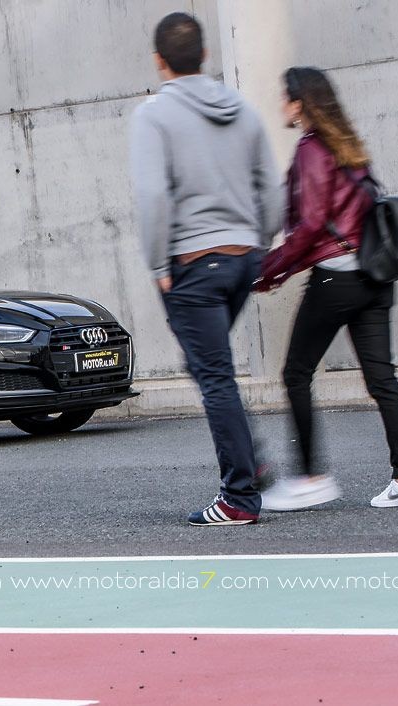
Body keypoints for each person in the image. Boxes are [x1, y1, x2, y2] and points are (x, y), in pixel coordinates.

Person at [130, 12, 281, 526]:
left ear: (160, 60)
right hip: (243, 259)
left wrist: (158, 262)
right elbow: (271, 188)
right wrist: (261, 243)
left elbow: (153, 196)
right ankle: (251, 460)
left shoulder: (154, 115)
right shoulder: (243, 108)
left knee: (214, 376)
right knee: (206, 365)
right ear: (205, 55)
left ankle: (239, 497)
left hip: (193, 265)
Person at [254, 67, 398, 510]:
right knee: (382, 379)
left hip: (337, 278)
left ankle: (311, 477)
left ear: (300, 104)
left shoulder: (312, 148)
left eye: (285, 97)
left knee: (296, 373)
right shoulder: (348, 144)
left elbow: (313, 224)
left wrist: (271, 270)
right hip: (374, 279)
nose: (281, 105)